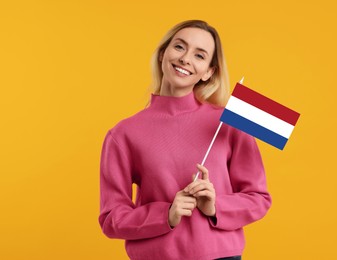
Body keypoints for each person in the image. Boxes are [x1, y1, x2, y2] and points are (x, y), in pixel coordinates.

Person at [99, 20, 271, 260]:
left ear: (209, 72)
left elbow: (258, 198)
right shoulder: (123, 134)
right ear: (163, 54)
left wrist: (214, 206)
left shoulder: (229, 122)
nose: (186, 58)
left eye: (200, 55)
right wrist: (166, 214)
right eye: (179, 47)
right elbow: (111, 218)